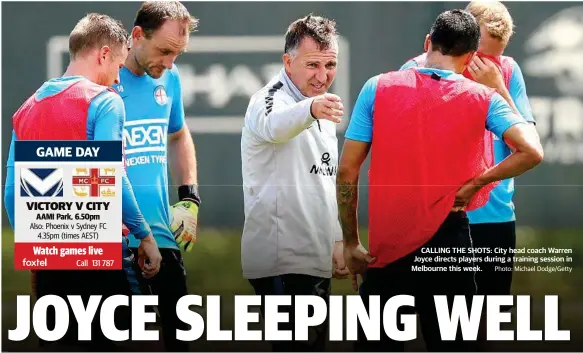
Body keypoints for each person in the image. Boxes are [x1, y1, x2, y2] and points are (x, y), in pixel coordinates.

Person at [337, 9, 543, 352]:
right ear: (470, 56)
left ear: (428, 42)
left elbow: (346, 172)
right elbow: (532, 150)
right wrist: (476, 184)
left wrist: (350, 242)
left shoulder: (378, 86)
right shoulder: (483, 97)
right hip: (450, 238)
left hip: (390, 242)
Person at [3, 13, 162, 351]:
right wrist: (144, 235)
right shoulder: (105, 102)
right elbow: (113, 177)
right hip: (102, 258)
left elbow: (10, 192)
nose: (118, 78)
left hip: (50, 262)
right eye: (119, 66)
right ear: (103, 54)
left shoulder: (27, 109)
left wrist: (37, 251)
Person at [400, 1, 539, 346]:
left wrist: (498, 87)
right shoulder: (416, 71)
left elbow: (529, 140)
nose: (483, 66)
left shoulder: (506, 71)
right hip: (438, 221)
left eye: (494, 58)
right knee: (442, 332)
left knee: (487, 331)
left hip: (495, 221)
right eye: (479, 56)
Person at [240, 14, 349, 352]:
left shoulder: (319, 108)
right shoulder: (269, 98)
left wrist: (335, 239)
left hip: (311, 255)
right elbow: (274, 126)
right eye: (312, 64)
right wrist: (312, 109)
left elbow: (323, 179)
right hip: (281, 257)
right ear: (288, 62)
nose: (323, 76)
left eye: (330, 65)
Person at [112, 1, 199, 351]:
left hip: (164, 239)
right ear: (136, 36)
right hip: (115, 243)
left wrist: (189, 195)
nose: (170, 63)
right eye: (164, 51)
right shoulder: (105, 80)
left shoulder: (170, 78)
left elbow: (178, 134)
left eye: (177, 53)